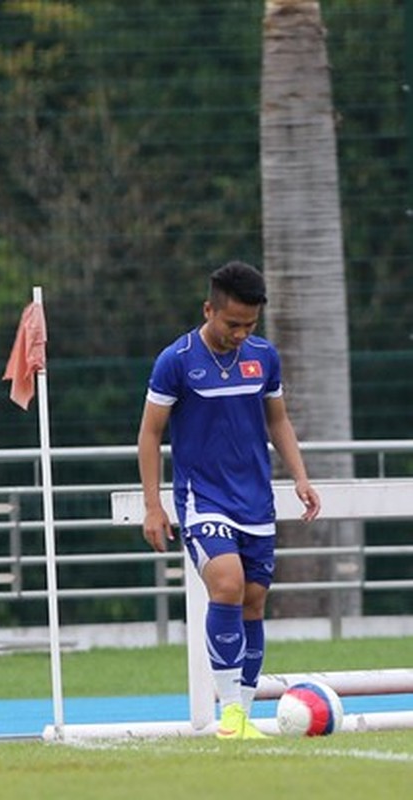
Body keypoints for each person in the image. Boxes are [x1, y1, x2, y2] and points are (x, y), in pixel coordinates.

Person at [137, 260, 321, 740]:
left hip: (255, 501)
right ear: (209, 310)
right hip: (203, 499)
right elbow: (150, 433)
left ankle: (244, 712)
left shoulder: (264, 356)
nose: (241, 334)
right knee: (227, 584)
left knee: (254, 603)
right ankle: (230, 718)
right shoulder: (175, 360)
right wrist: (153, 505)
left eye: (250, 325)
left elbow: (277, 420)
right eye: (232, 323)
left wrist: (300, 477)